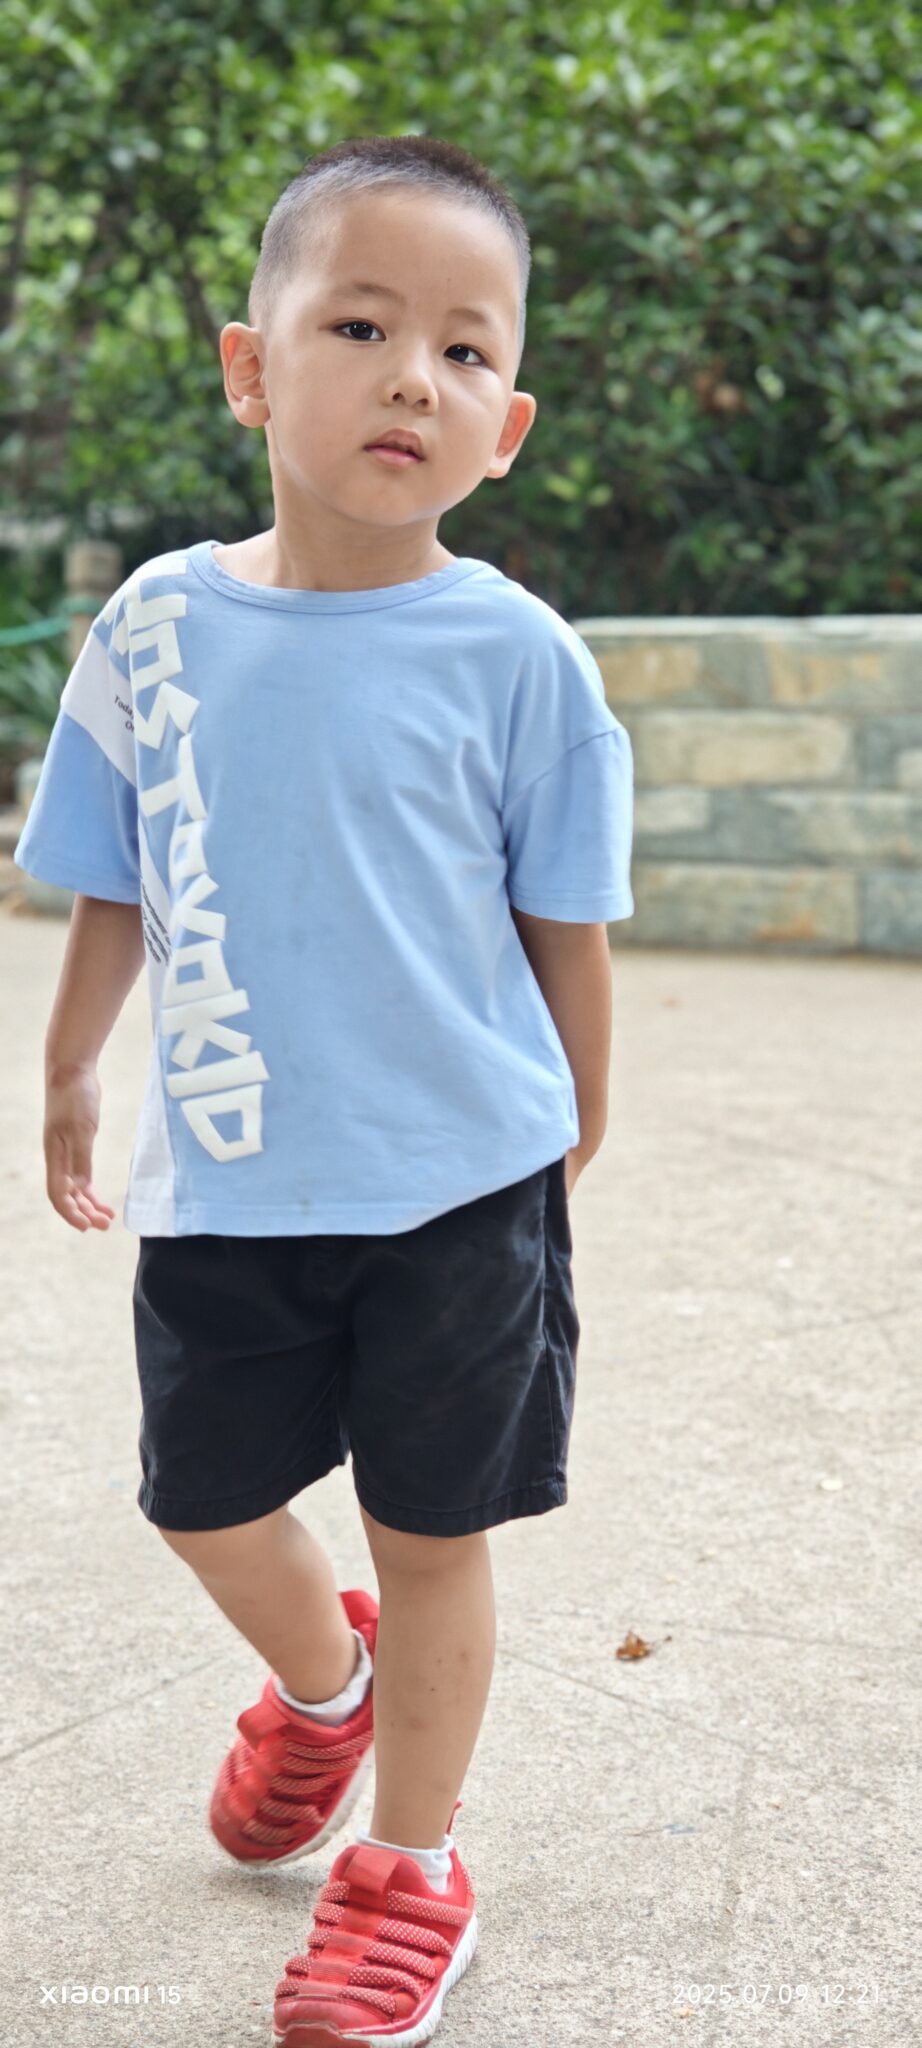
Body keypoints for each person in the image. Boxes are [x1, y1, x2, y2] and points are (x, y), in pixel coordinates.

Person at [15, 134, 634, 2046]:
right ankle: (318, 1691)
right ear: (248, 366)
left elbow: (564, 927)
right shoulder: (154, 626)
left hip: (458, 1188)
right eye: (360, 326)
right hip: (230, 1179)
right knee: (202, 1502)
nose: (410, 379)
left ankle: (411, 1870)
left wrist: (573, 1126)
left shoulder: (518, 658)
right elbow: (114, 871)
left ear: (504, 426)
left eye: (464, 351)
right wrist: (70, 1065)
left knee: (430, 1535)